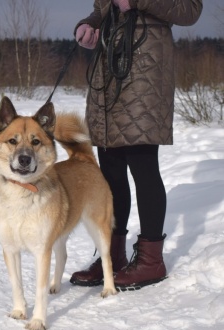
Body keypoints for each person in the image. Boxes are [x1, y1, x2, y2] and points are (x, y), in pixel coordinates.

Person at [70, 0, 203, 291]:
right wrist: (91, 24)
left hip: (145, 69)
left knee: (142, 164)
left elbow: (191, 10)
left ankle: (152, 260)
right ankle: (112, 255)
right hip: (109, 67)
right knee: (111, 169)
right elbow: (103, 8)